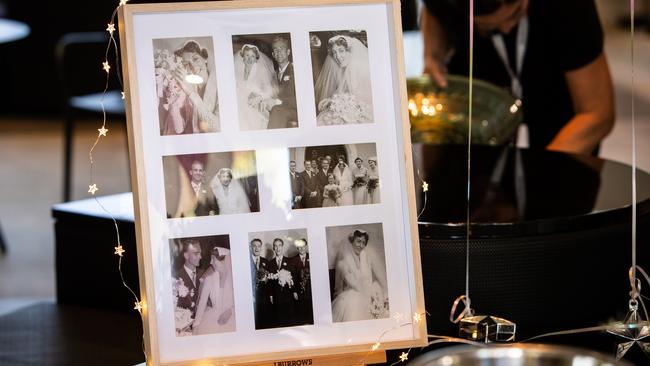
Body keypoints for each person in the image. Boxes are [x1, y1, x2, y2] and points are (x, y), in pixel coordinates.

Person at [420, 0, 614, 155]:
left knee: (560, 188)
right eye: (492, 28)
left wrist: (545, 171)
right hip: (481, 61)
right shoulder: (451, 6)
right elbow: (435, 7)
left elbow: (597, 114)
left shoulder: (571, 6)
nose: (506, 29)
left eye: (515, 13)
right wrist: (432, 55)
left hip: (553, 74)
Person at [314, 34, 374, 125]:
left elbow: (365, 102)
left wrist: (340, 103)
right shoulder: (345, 71)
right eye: (334, 52)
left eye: (341, 51)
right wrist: (332, 101)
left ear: (351, 52)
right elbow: (346, 93)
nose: (337, 56)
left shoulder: (362, 69)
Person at [331, 230, 388, 322]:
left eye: (363, 243)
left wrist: (375, 292)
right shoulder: (343, 263)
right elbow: (355, 285)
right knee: (354, 304)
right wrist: (370, 294)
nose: (360, 245)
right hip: (354, 294)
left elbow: (374, 278)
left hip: (369, 291)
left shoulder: (367, 258)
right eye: (358, 241)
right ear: (352, 241)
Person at [172, 40, 220, 133]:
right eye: (186, 63)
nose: (193, 66)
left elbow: (217, 128)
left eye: (196, 59)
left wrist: (191, 93)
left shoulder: (220, 85)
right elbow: (181, 127)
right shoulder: (185, 87)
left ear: (205, 58)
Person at [234, 44, 279, 130]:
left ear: (256, 59)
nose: (250, 59)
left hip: (254, 104)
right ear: (243, 57)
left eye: (253, 56)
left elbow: (269, 90)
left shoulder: (261, 71)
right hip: (239, 102)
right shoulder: (237, 69)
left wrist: (260, 97)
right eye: (247, 55)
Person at [193, 247, 236, 335]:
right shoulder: (209, 279)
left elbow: (242, 303)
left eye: (213, 259)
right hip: (212, 319)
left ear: (223, 261)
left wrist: (231, 311)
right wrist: (195, 326)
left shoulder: (235, 278)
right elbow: (201, 305)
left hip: (232, 318)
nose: (211, 262)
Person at [268, 36, 299, 129]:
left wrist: (279, 102)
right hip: (281, 109)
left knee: (277, 110)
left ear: (288, 52)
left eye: (281, 49)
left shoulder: (295, 70)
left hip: (296, 110)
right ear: (273, 54)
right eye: (276, 50)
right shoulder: (274, 73)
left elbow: (301, 98)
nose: (278, 52)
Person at [268, 238, 296, 327]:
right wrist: (271, 295)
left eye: (279, 245)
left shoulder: (290, 261)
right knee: (278, 320)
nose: (278, 248)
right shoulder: (270, 263)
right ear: (273, 248)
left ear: (282, 247)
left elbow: (293, 278)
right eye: (275, 246)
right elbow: (269, 282)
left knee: (289, 320)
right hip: (276, 296)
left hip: (288, 295)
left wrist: (294, 291)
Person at [173, 239, 203, 325]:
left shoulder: (205, 274)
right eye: (196, 253)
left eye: (200, 253)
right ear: (186, 255)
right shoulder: (175, 277)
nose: (200, 257)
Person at [250, 238, 273, 330]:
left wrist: (270, 294)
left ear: (261, 248)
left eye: (259, 246)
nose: (256, 248)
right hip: (252, 296)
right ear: (251, 247)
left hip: (264, 296)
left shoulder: (265, 261)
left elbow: (269, 280)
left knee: (265, 321)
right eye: (254, 246)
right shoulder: (246, 261)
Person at [290, 239, 313, 325]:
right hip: (299, 291)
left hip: (311, 290)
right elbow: (292, 278)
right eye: (299, 247)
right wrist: (294, 291)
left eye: (303, 246)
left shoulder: (312, 257)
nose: (301, 249)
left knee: (311, 310)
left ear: (306, 246)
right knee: (301, 311)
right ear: (297, 248)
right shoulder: (293, 260)